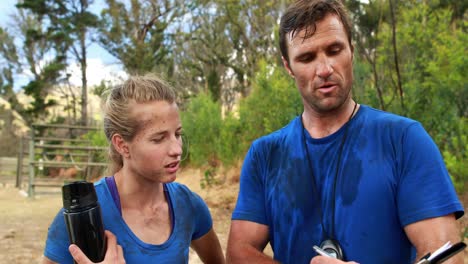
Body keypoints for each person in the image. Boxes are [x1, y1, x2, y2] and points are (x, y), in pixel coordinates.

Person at [226, 1, 464, 264]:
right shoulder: (265, 154)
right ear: (288, 66)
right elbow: (239, 252)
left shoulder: (404, 140)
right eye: (306, 57)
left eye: (334, 50)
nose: (324, 69)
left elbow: (449, 257)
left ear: (351, 49)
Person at [42, 74, 225, 263]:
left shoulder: (188, 205)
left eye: (177, 134)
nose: (177, 149)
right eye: (158, 139)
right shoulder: (79, 219)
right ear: (122, 145)